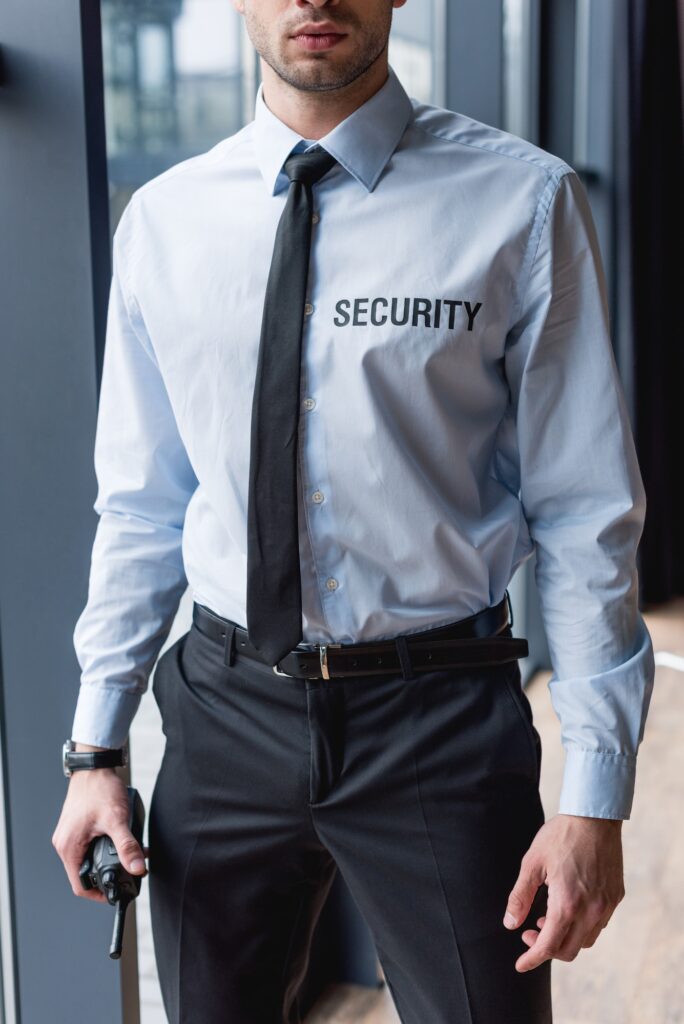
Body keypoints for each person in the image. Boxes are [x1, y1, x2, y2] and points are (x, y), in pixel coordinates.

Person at [52, 0, 656, 1021]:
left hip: (441, 719)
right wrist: (96, 748)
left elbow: (584, 511)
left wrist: (597, 794)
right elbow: (144, 510)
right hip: (223, 715)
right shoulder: (164, 222)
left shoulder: (522, 202)